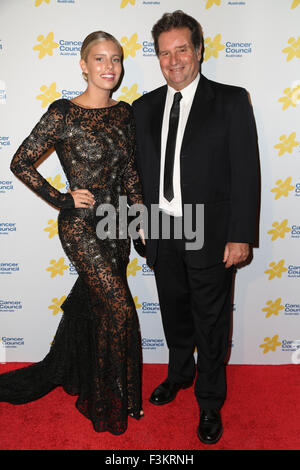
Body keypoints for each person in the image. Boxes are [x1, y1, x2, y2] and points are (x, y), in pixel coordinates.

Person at [0, 31, 144, 435]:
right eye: (99, 59)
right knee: (119, 309)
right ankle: (107, 405)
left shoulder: (124, 112)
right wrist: (61, 197)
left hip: (117, 224)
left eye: (115, 59)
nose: (109, 68)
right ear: (83, 65)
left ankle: (88, 379)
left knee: (100, 308)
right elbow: (21, 161)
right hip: (81, 226)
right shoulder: (63, 112)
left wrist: (139, 217)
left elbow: (131, 171)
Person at [132, 10, 259, 444]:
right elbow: (136, 176)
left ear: (199, 50)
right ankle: (179, 375)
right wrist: (138, 224)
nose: (174, 61)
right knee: (175, 313)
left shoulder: (230, 100)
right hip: (163, 231)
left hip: (211, 230)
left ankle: (208, 402)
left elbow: (246, 171)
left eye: (182, 49)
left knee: (211, 322)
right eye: (164, 53)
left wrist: (241, 233)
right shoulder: (142, 108)